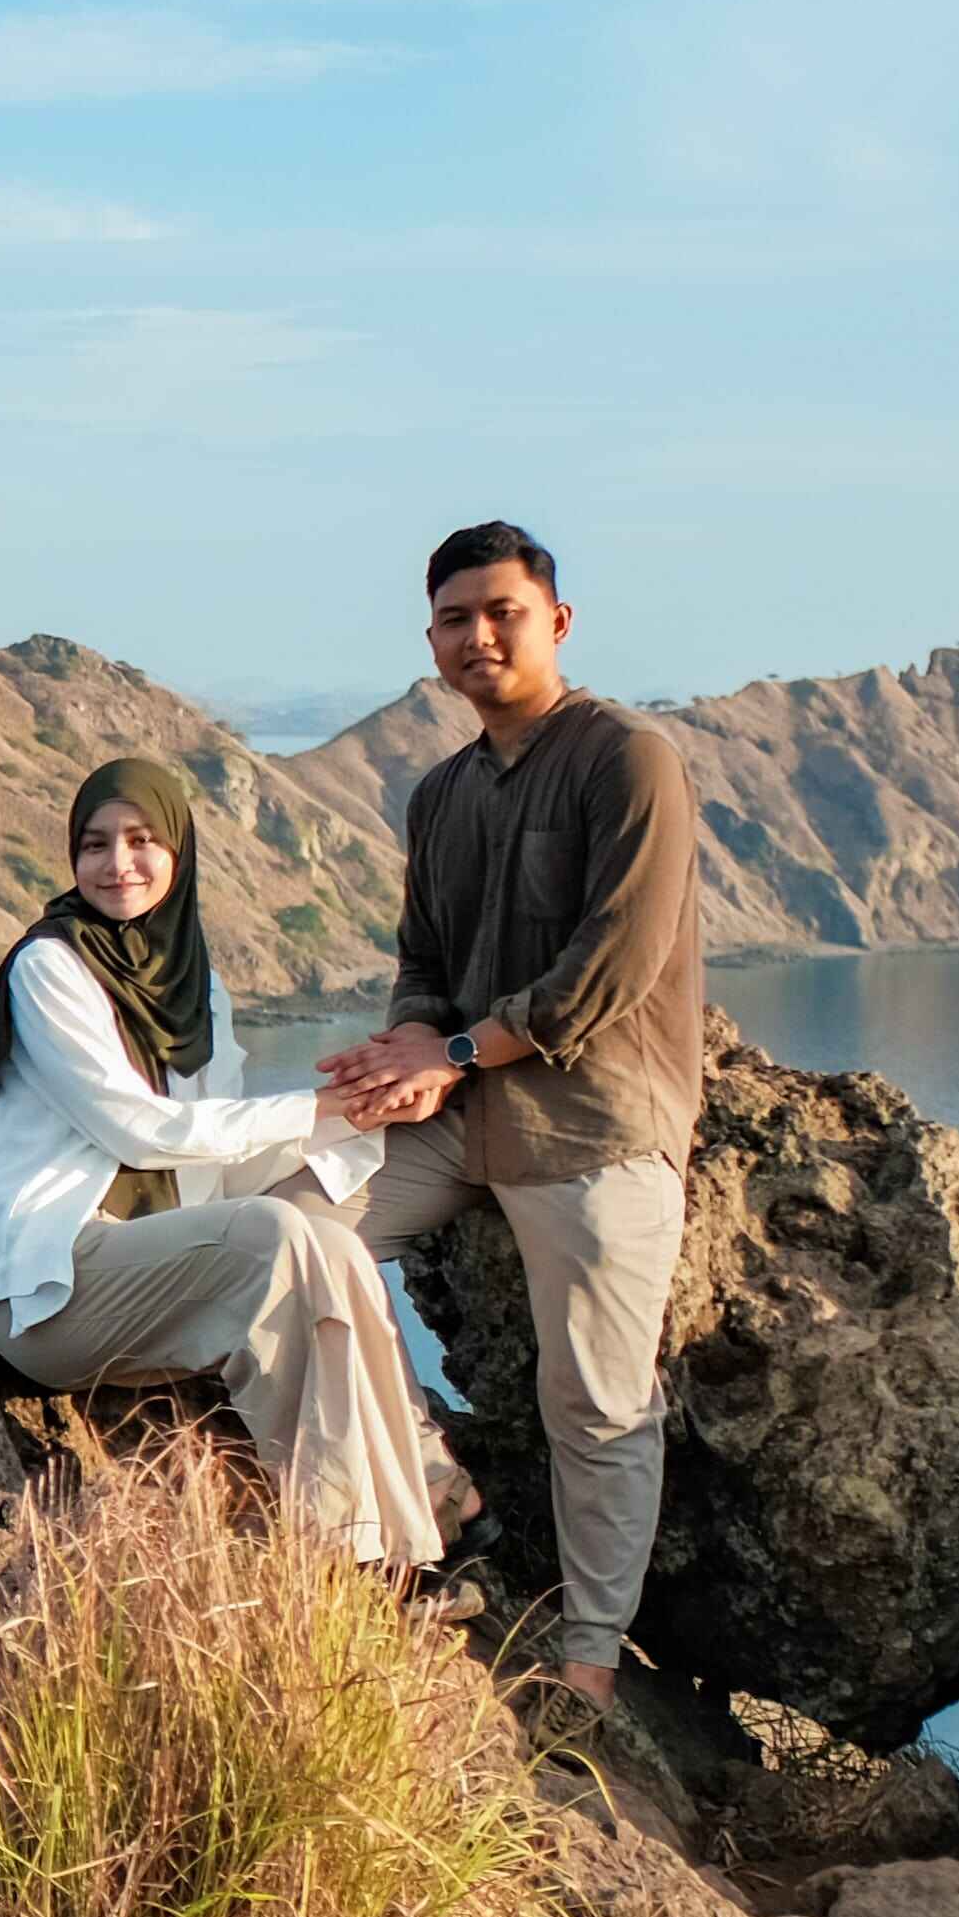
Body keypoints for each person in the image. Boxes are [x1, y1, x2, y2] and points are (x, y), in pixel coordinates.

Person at [312, 522, 708, 1703]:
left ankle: (588, 1661)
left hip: (591, 1126)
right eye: (453, 619)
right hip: (458, 1113)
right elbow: (423, 956)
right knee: (286, 1242)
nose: (478, 637)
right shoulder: (440, 795)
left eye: (502, 612)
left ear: (557, 621)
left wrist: (458, 1051)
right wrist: (407, 1044)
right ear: (430, 641)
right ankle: (426, 1482)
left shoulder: (629, 760)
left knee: (594, 1400)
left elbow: (612, 965)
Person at [0, 755, 446, 1573]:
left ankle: (410, 1528)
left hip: (150, 1266)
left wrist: (357, 1111)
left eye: (143, 840)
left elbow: (212, 1158)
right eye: (95, 844)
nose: (118, 864)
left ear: (178, 852)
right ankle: (342, 1551)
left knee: (329, 1245)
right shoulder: (49, 967)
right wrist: (314, 1109)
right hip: (50, 1289)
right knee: (276, 1237)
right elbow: (141, 1131)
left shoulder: (195, 983)